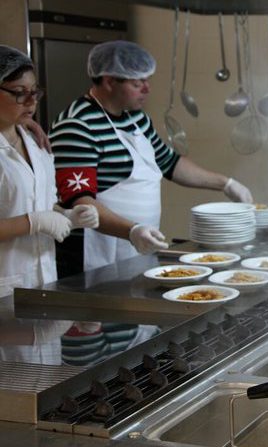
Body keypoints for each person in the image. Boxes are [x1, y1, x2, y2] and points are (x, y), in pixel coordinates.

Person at [49, 41, 253, 275]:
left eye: (147, 81)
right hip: (93, 254)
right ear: (108, 81)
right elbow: (80, 201)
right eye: (137, 83)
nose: (147, 89)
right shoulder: (77, 126)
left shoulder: (136, 119)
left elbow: (170, 164)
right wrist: (132, 230)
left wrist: (226, 184)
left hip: (136, 244)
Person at [0, 45, 99, 364]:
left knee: (44, 397)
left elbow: (35, 203)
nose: (31, 102)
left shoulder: (36, 143)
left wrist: (66, 215)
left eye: (34, 92)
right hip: (4, 298)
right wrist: (35, 222)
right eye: (19, 93)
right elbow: (29, 214)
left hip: (43, 289)